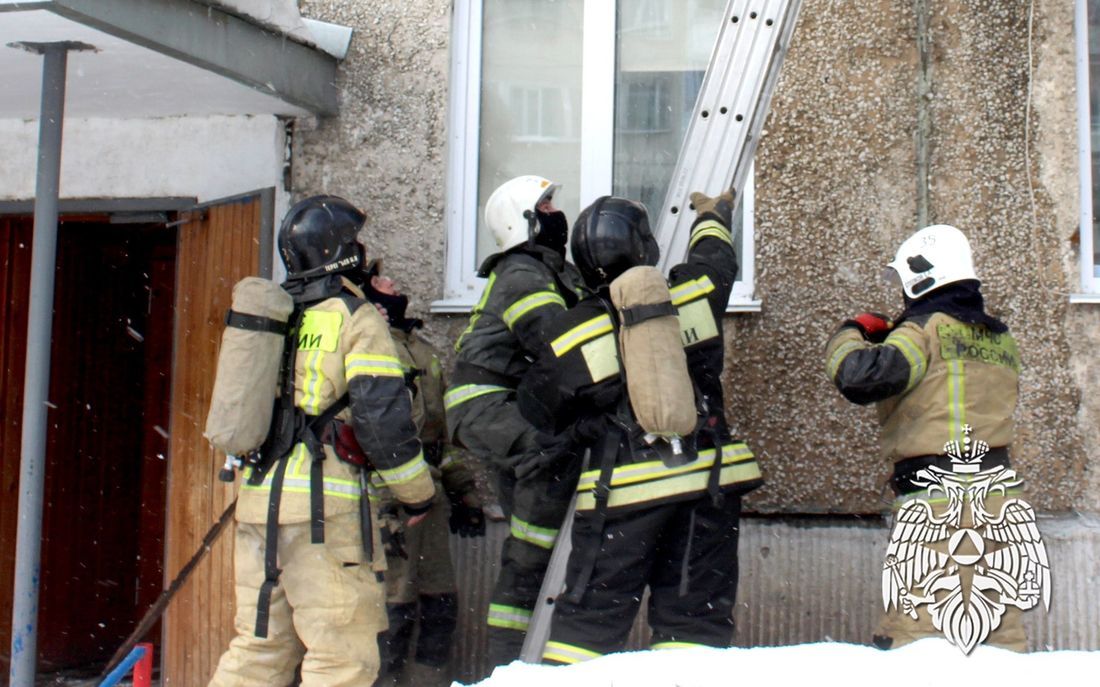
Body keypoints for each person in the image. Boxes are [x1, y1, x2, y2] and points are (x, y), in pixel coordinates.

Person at [517, 192, 764, 664]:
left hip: (623, 500)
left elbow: (537, 409)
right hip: (706, 490)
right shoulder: (693, 295)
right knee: (695, 624)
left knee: (587, 628)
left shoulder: (574, 332)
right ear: (645, 248)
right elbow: (717, 258)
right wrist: (712, 216)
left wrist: (590, 419)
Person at [208, 195, 436, 687]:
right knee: (342, 657)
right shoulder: (355, 318)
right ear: (340, 251)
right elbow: (384, 423)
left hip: (257, 506)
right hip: (322, 516)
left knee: (257, 651)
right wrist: (417, 493)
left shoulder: (278, 316)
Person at [823, 223, 1026, 651]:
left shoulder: (923, 330)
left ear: (921, 276)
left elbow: (858, 378)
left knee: (917, 637)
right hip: (1000, 503)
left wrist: (850, 332)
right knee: (996, 640)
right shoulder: (998, 337)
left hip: (937, 503)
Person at [444, 175, 586, 666]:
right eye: (545, 206)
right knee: (553, 460)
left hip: (506, 404)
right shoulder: (523, 272)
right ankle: (510, 658)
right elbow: (557, 340)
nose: (555, 213)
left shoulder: (548, 271)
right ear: (523, 221)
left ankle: (519, 644)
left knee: (533, 520)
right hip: (484, 402)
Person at [361, 261, 485, 687]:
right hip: (392, 503)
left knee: (440, 606)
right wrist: (389, 504)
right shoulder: (368, 348)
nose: (392, 283)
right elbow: (372, 433)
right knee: (393, 613)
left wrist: (464, 493)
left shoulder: (422, 349)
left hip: (430, 500)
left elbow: (442, 437)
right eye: (380, 281)